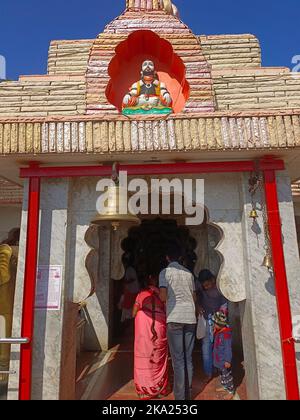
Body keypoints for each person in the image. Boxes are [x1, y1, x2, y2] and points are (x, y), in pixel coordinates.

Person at [159, 245, 198, 400]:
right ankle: (187, 393)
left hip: (175, 317)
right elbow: (194, 298)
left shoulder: (165, 272)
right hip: (190, 318)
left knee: (178, 360)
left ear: (167, 258)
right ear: (181, 258)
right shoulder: (188, 273)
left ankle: (180, 398)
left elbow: (162, 296)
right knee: (188, 357)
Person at [132, 274, 169, 400]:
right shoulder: (162, 294)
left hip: (144, 330)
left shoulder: (141, 294)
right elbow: (166, 310)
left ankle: (144, 391)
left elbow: (133, 313)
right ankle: (159, 389)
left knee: (143, 357)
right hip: (159, 327)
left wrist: (143, 313)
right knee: (158, 356)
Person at [197, 269, 228, 382]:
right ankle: (208, 372)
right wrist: (198, 307)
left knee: (219, 347)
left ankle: (220, 371)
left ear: (212, 280)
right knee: (206, 347)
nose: (206, 287)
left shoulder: (220, 289)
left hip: (219, 321)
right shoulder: (200, 291)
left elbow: (224, 306)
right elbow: (197, 301)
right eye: (204, 285)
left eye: (208, 284)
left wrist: (218, 321)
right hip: (206, 321)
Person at [212, 311, 235, 400]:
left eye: (215, 323)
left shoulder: (226, 334)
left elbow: (228, 348)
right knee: (222, 374)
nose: (214, 325)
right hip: (219, 360)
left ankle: (231, 390)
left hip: (224, 361)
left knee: (227, 376)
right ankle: (225, 386)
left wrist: (228, 360)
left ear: (219, 324)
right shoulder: (219, 331)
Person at [119, 253, 140, 324]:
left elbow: (133, 279)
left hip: (132, 290)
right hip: (129, 290)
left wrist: (125, 282)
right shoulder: (127, 269)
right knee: (127, 305)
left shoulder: (130, 269)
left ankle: (129, 319)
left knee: (129, 305)